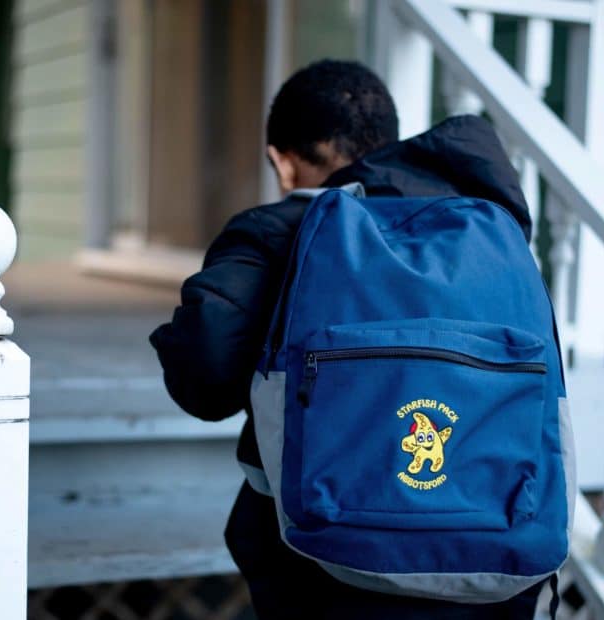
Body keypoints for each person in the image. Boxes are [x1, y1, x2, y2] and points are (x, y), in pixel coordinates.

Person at [150, 59, 544, 619]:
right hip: (495, 560)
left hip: (325, 574)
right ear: (388, 143)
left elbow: (205, 377)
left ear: (282, 162)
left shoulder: (274, 231)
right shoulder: (488, 232)